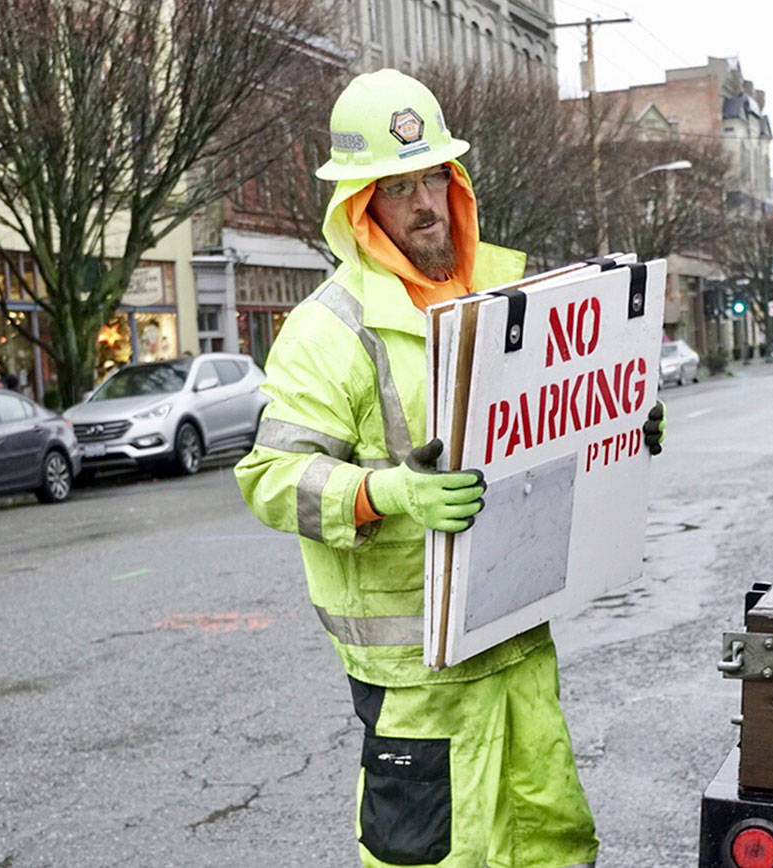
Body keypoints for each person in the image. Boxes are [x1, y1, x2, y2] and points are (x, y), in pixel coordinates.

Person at [235, 69, 665, 868]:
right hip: (417, 678)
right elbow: (271, 476)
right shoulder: (329, 330)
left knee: (551, 845)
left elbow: (559, 428)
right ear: (360, 209)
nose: (426, 203)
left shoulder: (511, 296)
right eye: (399, 188)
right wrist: (385, 491)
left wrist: (623, 421)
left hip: (515, 643)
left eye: (434, 176)